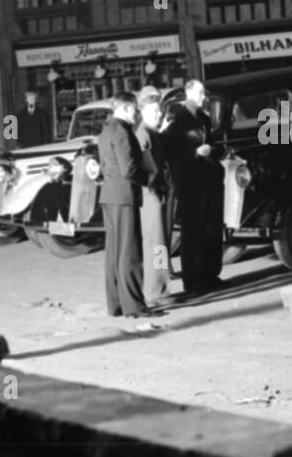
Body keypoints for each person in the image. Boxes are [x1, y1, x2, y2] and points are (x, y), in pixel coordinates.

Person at [96, 92, 157, 330]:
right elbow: (129, 168)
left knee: (113, 252)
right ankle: (134, 305)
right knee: (129, 252)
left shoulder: (106, 130)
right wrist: (149, 179)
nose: (136, 113)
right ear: (123, 108)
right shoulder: (122, 131)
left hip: (110, 196)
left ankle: (116, 304)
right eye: (133, 109)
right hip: (124, 196)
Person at [162, 78, 224, 296]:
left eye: (204, 93)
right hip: (188, 184)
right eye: (199, 93)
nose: (203, 97)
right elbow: (171, 154)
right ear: (188, 93)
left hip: (207, 181)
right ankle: (189, 281)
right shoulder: (178, 123)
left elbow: (212, 142)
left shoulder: (204, 119)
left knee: (210, 230)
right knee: (190, 234)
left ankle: (209, 275)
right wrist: (194, 154)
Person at [135, 86, 172, 306]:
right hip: (152, 196)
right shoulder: (143, 135)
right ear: (143, 111)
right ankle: (157, 290)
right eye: (154, 110)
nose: (159, 114)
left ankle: (159, 286)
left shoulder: (152, 134)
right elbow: (148, 170)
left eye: (159, 110)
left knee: (159, 244)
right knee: (156, 245)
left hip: (157, 194)